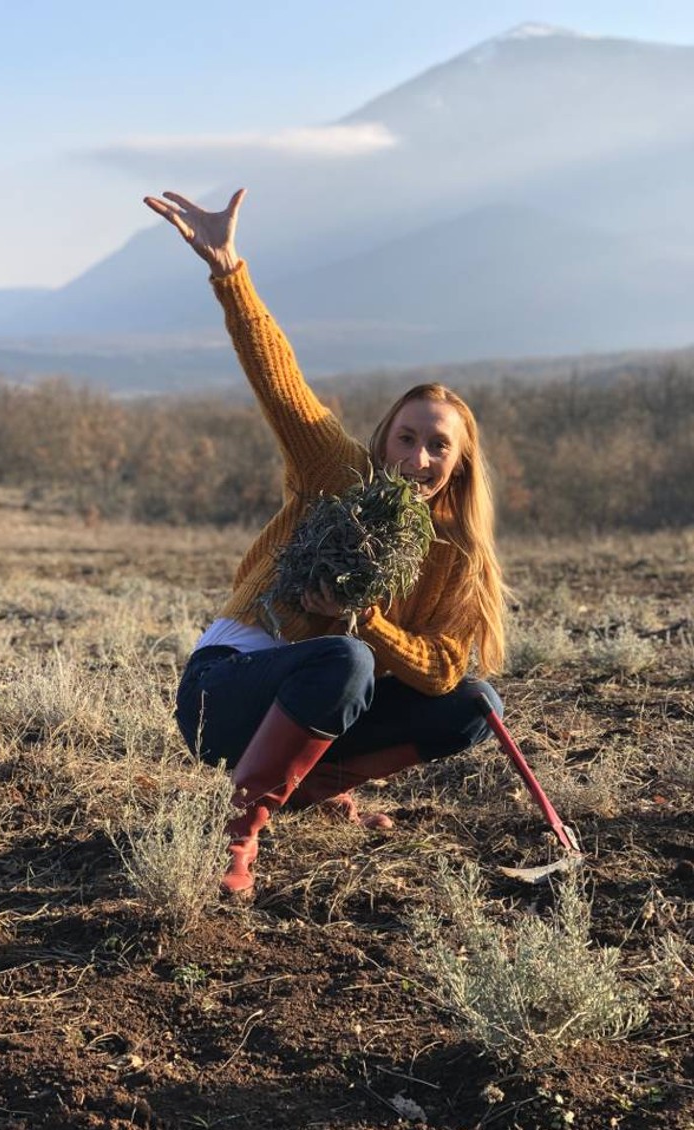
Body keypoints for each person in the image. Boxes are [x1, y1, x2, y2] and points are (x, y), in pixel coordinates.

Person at [143, 188, 506, 896]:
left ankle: (311, 785)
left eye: (438, 446)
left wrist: (364, 620)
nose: (418, 458)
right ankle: (238, 830)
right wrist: (229, 271)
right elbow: (280, 384)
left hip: (330, 690)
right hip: (226, 689)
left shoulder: (456, 555)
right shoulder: (340, 476)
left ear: (460, 463)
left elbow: (440, 668)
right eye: (407, 437)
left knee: (475, 701)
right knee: (343, 659)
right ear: (384, 439)